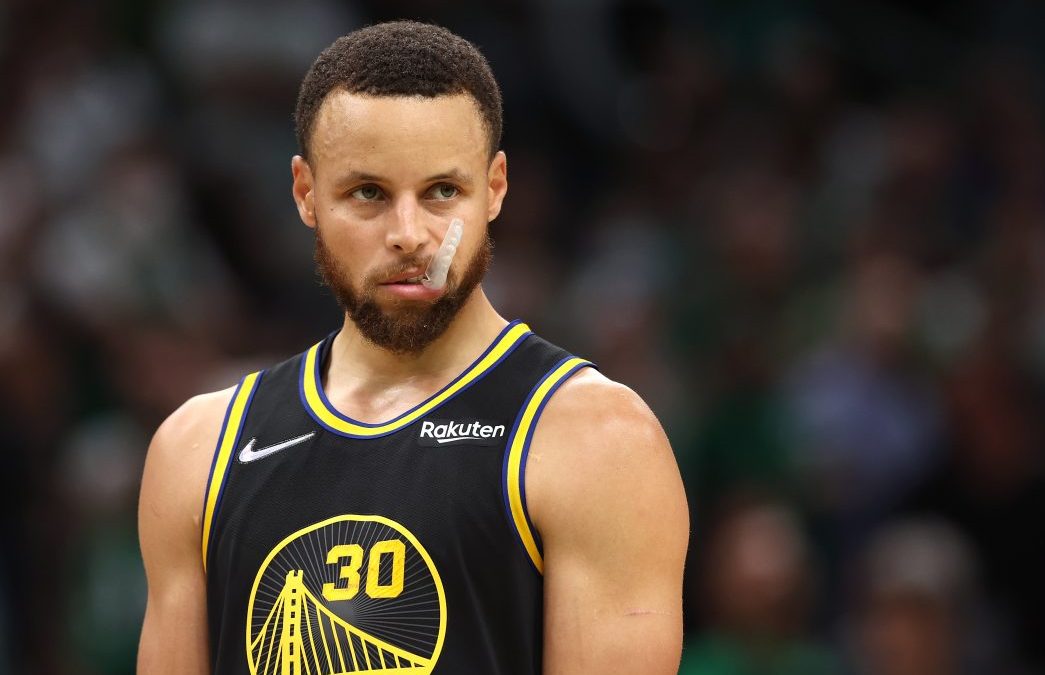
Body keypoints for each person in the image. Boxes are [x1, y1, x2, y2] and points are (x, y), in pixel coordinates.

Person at [136, 20, 688, 675]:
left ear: (496, 188)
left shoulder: (598, 439)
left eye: (442, 192)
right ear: (306, 194)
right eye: (368, 193)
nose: (409, 234)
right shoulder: (198, 450)